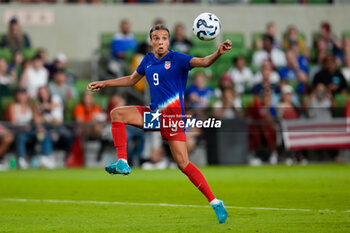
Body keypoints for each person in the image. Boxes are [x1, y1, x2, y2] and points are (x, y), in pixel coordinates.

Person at [87, 24, 231, 224]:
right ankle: (123, 161)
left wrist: (218, 53)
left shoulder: (178, 58)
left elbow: (204, 62)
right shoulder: (147, 60)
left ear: (168, 41)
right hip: (154, 115)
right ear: (151, 42)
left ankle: (215, 202)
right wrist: (104, 83)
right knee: (117, 113)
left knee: (183, 164)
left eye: (164, 38)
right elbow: (131, 80)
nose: (160, 41)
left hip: (172, 119)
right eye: (156, 38)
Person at [9, 88, 54, 169]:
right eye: (20, 94)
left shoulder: (32, 106)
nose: (22, 97)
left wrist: (40, 128)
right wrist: (22, 127)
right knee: (21, 137)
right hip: (19, 130)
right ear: (16, 96)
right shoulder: (13, 106)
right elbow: (13, 123)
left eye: (23, 94)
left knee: (45, 135)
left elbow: (36, 120)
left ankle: (45, 157)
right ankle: (21, 158)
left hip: (31, 130)